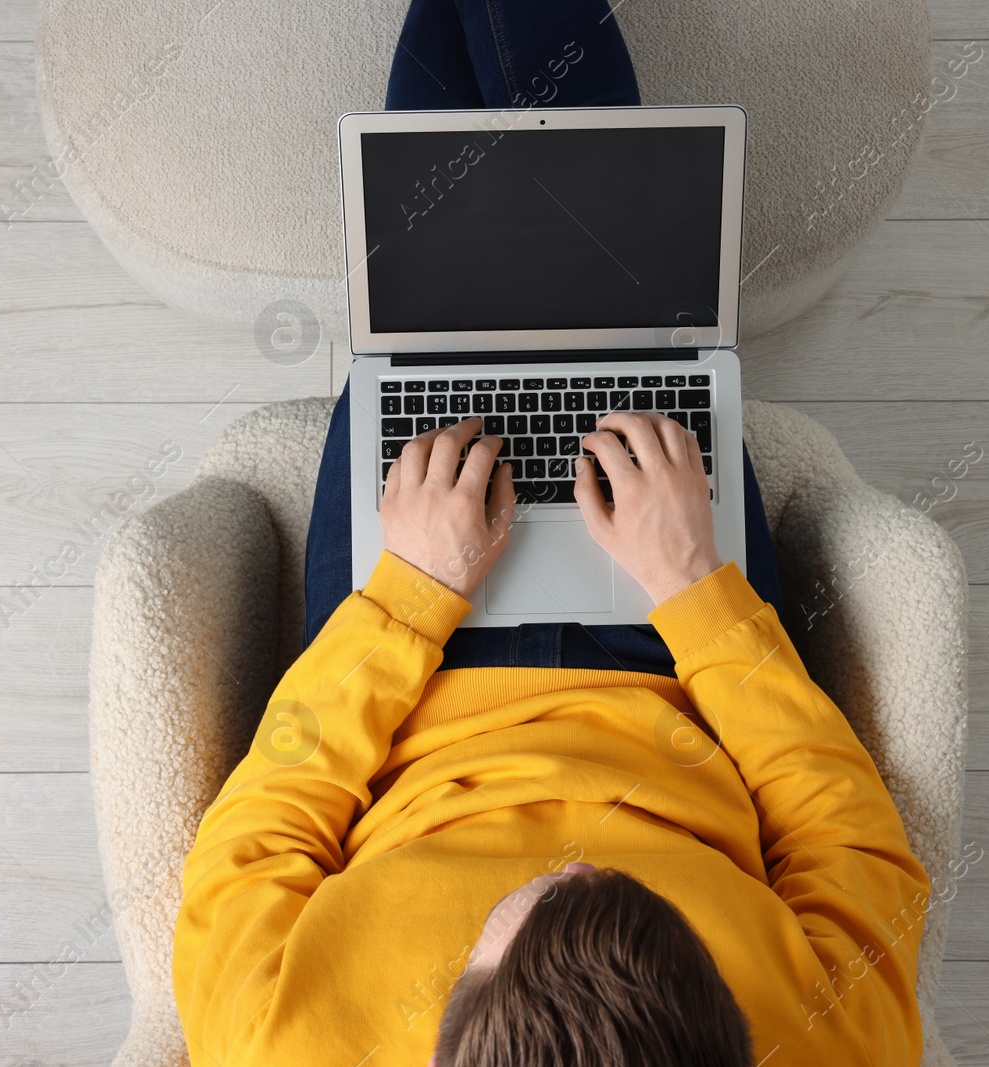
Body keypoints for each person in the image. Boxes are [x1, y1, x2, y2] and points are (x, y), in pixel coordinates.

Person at [174, 1, 933, 1064]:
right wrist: (693, 587)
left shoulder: (280, 1045)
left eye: (528, 910)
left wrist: (407, 594)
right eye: (639, 901)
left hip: (407, 692)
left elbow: (255, 838)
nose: (578, 857)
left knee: (434, 302)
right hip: (676, 665)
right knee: (618, 294)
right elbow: (846, 840)